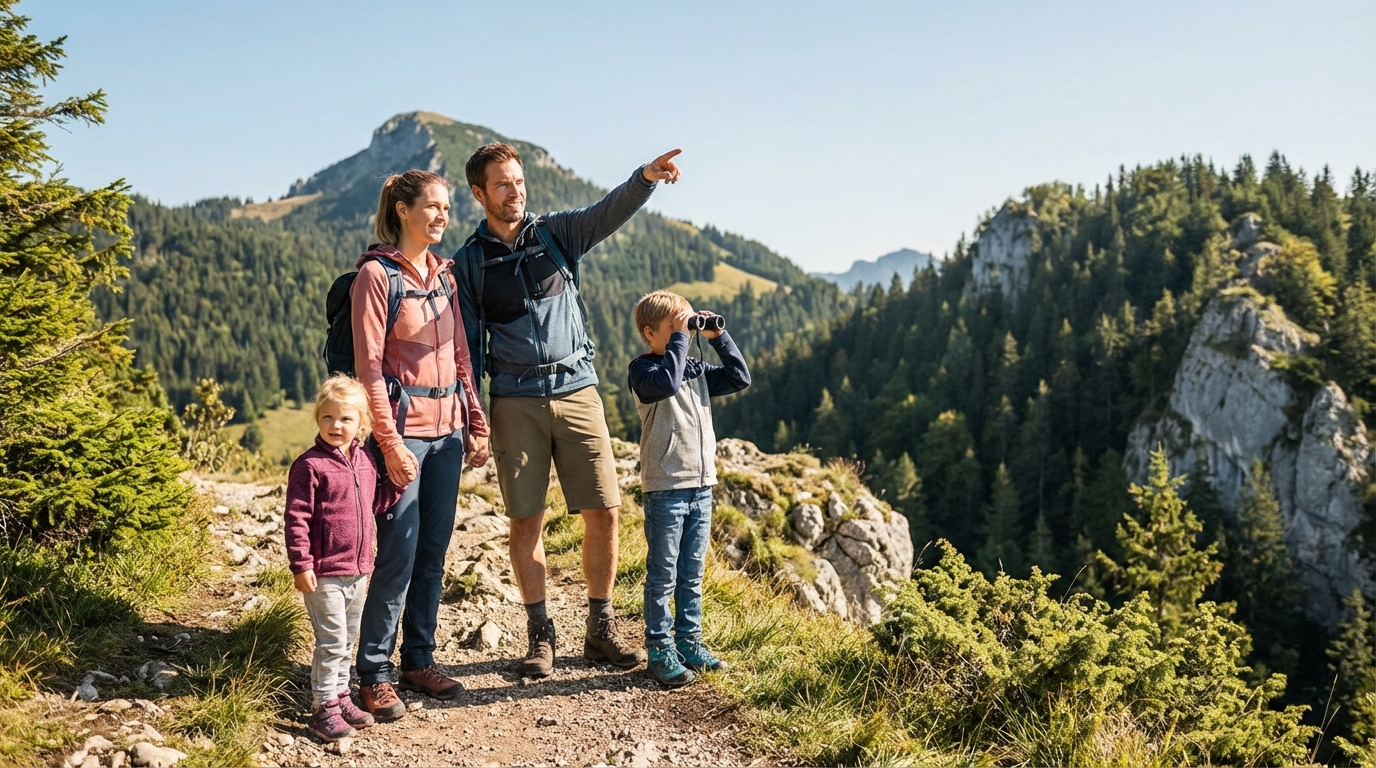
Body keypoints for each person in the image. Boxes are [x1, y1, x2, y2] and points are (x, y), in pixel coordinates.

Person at [453, 142, 682, 677]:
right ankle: (541, 636)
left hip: (578, 390)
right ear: (479, 193)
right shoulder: (469, 263)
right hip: (514, 400)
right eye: (503, 184)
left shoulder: (555, 234)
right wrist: (473, 416)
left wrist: (644, 178)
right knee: (525, 519)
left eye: (519, 180)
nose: (516, 191)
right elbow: (465, 346)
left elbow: (608, 212)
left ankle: (599, 631)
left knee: (604, 509)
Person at [351, 170, 489, 721]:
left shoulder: (446, 277)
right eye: (431, 207)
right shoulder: (376, 277)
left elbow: (460, 357)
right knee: (398, 553)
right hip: (404, 433)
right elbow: (368, 370)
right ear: (403, 210)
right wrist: (388, 443)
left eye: (447, 209)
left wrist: (474, 421)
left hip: (448, 430)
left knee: (433, 551)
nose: (441, 217)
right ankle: (374, 672)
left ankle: (419, 659)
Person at [627, 291, 750, 686]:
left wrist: (716, 337)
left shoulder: (692, 368)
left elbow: (738, 377)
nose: (685, 331)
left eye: (687, 324)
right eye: (675, 326)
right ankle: (659, 648)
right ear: (650, 333)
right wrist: (683, 336)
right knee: (663, 572)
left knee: (692, 572)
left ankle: (689, 640)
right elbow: (667, 382)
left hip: (701, 485)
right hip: (666, 486)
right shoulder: (644, 370)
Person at [285, 375, 407, 742]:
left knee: (348, 638)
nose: (335, 426)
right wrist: (301, 564)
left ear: (362, 424)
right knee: (332, 641)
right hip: (323, 572)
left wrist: (398, 485)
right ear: (317, 418)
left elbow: (373, 504)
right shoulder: (309, 466)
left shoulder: (366, 462)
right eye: (327, 418)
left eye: (345, 419)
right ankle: (323, 707)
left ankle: (341, 697)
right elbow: (297, 517)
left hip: (357, 571)